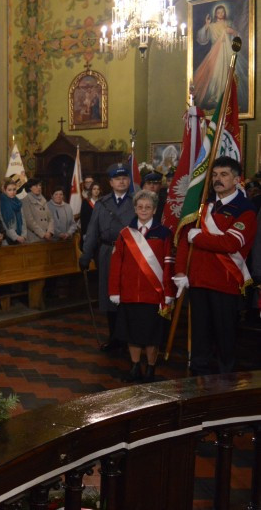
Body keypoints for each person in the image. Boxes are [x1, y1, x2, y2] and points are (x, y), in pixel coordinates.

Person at [173, 156, 256, 375]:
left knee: (224, 333)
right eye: (215, 175)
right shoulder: (202, 205)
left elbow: (230, 243)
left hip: (224, 282)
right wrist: (180, 271)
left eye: (224, 175)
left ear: (236, 180)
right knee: (199, 332)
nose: (218, 179)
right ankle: (198, 375)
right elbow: (184, 241)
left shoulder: (245, 209)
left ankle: (225, 378)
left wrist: (198, 237)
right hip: (198, 280)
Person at [108, 191, 174, 383]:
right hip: (129, 294)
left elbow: (168, 265)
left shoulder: (164, 233)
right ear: (135, 209)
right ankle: (135, 366)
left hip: (153, 295)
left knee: (152, 335)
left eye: (148, 207)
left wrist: (168, 292)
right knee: (132, 334)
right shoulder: (125, 234)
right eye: (140, 207)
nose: (144, 210)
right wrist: (114, 290)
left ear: (154, 209)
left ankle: (151, 368)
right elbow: (116, 263)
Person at [79, 164, 135, 350]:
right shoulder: (102, 203)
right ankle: (114, 339)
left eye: (124, 178)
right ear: (111, 182)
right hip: (107, 253)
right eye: (117, 179)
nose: (121, 181)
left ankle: (128, 339)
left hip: (130, 253)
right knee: (109, 296)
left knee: (127, 296)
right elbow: (92, 231)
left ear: (129, 180)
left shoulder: (137, 201)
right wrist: (86, 255)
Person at [193, 4, 244, 110]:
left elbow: (237, 37)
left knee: (227, 73)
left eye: (222, 12)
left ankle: (226, 97)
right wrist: (207, 25)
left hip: (227, 51)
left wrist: (233, 32)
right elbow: (201, 38)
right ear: (215, 14)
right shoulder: (211, 26)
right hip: (215, 53)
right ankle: (215, 96)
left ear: (225, 13)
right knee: (215, 73)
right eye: (218, 12)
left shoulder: (229, 24)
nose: (221, 14)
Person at [0, 179, 26, 245]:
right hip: (8, 239)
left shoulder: (18, 202)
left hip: (20, 236)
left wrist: (23, 235)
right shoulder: (0, 204)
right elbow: (4, 223)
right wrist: (16, 237)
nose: (12, 192)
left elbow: (23, 219)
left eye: (14, 189)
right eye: (9, 190)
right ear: (5, 190)